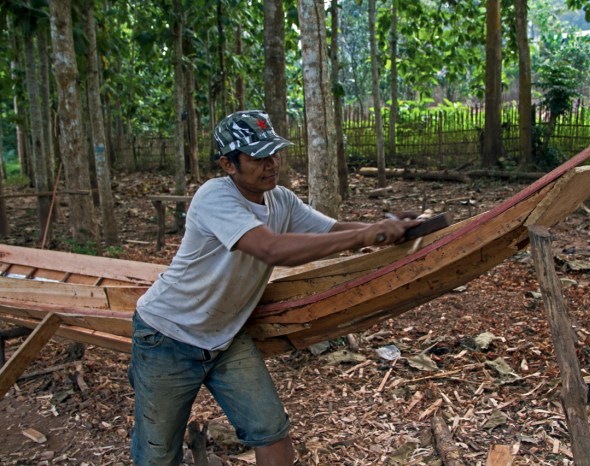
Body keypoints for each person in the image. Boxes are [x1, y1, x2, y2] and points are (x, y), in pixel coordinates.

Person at [128, 110, 419, 466]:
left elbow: (331, 230)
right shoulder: (215, 198)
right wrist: (365, 234)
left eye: (275, 154)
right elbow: (271, 248)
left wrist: (381, 228)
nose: (271, 164)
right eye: (258, 158)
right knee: (157, 455)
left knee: (271, 432)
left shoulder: (280, 199)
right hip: (167, 337)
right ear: (228, 164)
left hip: (225, 338)